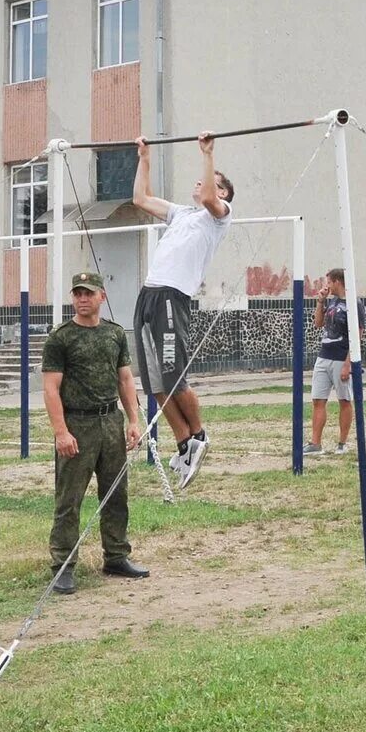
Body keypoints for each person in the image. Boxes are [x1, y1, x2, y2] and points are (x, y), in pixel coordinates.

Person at [132, 132, 234, 489]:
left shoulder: (218, 216)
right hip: (148, 295)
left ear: (223, 194)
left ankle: (199, 435)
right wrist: (144, 158)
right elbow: (140, 198)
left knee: (174, 376)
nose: (202, 184)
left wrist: (208, 154)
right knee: (155, 383)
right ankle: (183, 444)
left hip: (173, 298)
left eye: (214, 183)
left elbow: (208, 195)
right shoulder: (180, 214)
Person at [44, 272, 148, 593]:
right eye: (77, 294)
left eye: (88, 293)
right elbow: (51, 388)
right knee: (69, 498)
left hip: (110, 422)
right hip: (78, 424)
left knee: (116, 494)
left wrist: (133, 420)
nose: (82, 299)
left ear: (101, 296)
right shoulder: (60, 337)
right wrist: (61, 432)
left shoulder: (114, 334)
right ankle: (63, 564)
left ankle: (116, 555)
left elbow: (125, 380)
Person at [306, 269, 362, 455]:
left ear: (337, 281)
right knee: (317, 399)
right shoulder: (332, 302)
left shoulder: (354, 304)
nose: (326, 285)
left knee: (344, 400)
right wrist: (320, 302)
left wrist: (348, 364)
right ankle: (315, 443)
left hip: (341, 358)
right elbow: (318, 323)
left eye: (328, 282)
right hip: (324, 356)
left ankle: (342, 443)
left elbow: (357, 336)